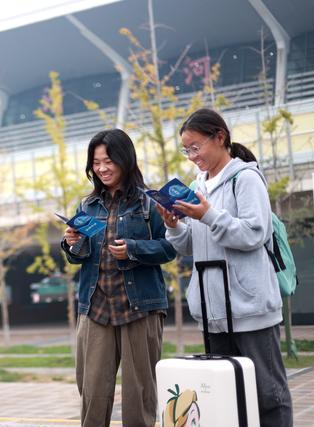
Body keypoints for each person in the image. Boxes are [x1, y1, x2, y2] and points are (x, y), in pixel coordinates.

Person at [157, 108, 293, 427]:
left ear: (220, 137)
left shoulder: (246, 178)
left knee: (269, 394)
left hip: (250, 307)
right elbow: (191, 246)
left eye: (196, 147)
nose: (192, 156)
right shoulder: (198, 186)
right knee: (227, 395)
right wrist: (174, 226)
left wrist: (208, 215)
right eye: (186, 149)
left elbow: (255, 233)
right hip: (214, 311)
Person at [62, 129, 176, 426]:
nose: (101, 168)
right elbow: (79, 256)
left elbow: (171, 247)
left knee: (140, 394)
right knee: (92, 391)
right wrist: (72, 243)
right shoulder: (87, 206)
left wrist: (134, 250)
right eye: (96, 162)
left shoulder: (150, 203)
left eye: (108, 161)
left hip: (140, 307)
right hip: (96, 306)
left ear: (125, 160)